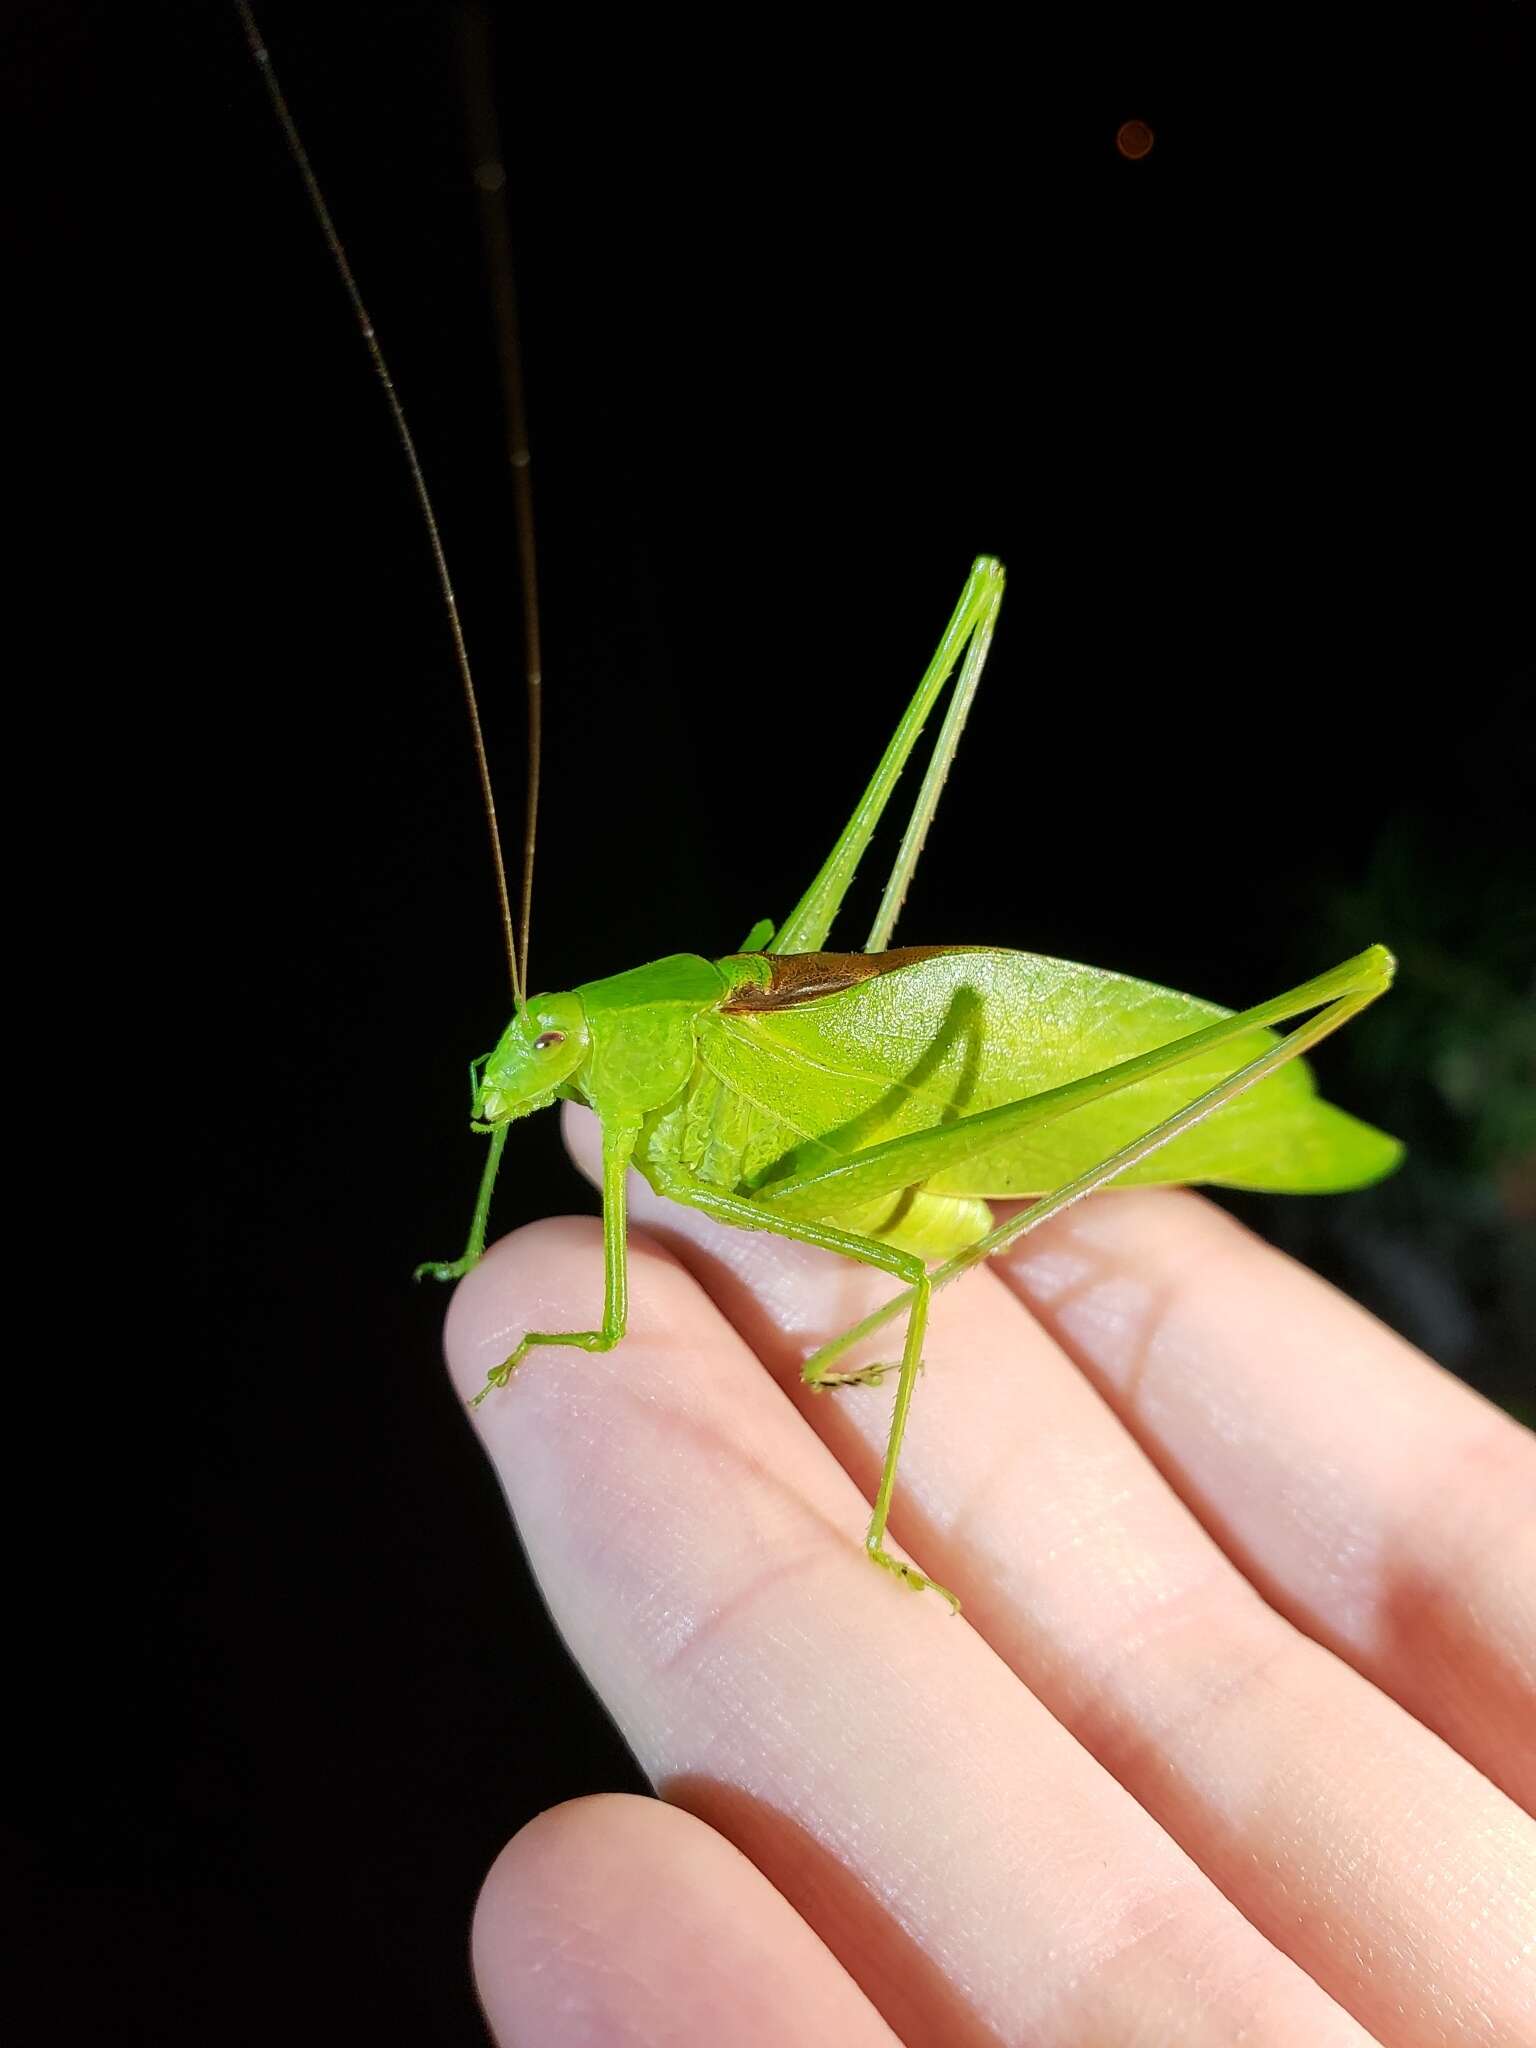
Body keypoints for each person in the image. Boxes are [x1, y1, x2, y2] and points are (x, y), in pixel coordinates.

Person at [450, 1105, 1534, 2047]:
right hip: (854, 1159)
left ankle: (877, 1529)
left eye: (544, 1040)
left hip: (909, 1216)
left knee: (902, 1281)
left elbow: (617, 1302)